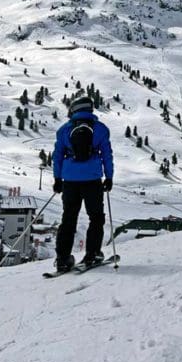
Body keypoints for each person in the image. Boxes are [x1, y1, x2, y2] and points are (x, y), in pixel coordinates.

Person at [52, 95, 114, 272]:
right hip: (92, 180)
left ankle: (63, 259)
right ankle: (92, 254)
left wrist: (57, 179)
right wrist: (109, 177)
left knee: (68, 219)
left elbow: (57, 156)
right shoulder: (101, 129)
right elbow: (107, 155)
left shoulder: (64, 130)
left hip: (70, 180)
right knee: (96, 217)